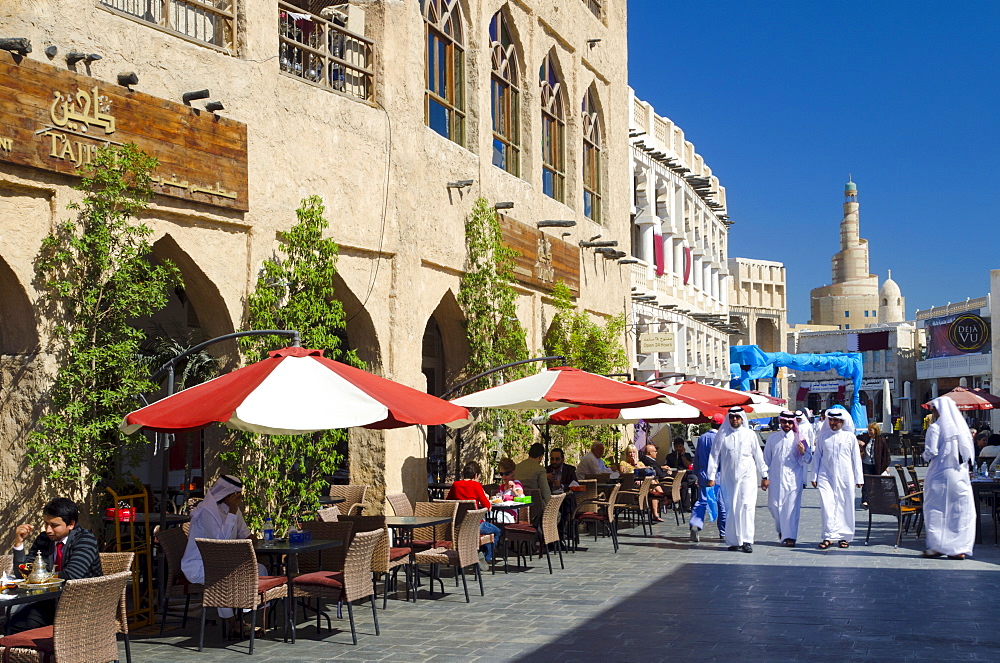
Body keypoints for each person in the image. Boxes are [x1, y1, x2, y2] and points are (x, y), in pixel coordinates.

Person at [8, 497, 102, 632]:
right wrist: (19, 543)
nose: (48, 530)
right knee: (9, 624)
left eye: (54, 525)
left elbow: (71, 575)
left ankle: (46, 652)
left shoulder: (85, 539)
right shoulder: (44, 539)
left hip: (82, 604)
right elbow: (22, 573)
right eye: (46, 524)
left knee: (17, 625)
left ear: (70, 524)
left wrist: (37, 579)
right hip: (51, 601)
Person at [181, 475, 262, 630]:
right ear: (227, 495)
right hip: (199, 565)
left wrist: (251, 536)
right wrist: (232, 511)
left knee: (260, 569)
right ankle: (234, 621)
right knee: (224, 575)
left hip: (223, 561)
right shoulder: (207, 512)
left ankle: (243, 612)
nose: (238, 499)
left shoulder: (233, 509)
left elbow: (244, 533)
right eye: (235, 496)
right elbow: (221, 542)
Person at [706, 407, 768, 553]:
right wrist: (711, 476)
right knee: (732, 507)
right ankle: (734, 540)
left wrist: (764, 475)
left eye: (737, 417)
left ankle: (747, 540)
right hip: (728, 478)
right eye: (732, 417)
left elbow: (758, 455)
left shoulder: (750, 434)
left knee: (746, 506)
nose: (735, 420)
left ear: (742, 418)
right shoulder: (722, 435)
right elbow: (714, 456)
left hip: (747, 476)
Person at [922, 397, 975, 559]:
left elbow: (930, 452)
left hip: (939, 473)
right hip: (960, 474)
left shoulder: (935, 428)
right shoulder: (961, 429)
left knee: (935, 509)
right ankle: (959, 547)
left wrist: (923, 455)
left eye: (933, 410)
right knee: (960, 509)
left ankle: (938, 545)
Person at [812, 407, 864, 549]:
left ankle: (844, 536)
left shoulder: (850, 437)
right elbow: (817, 457)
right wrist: (814, 475)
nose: (833, 423)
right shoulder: (823, 437)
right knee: (827, 506)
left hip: (845, 476)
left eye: (836, 420)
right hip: (825, 476)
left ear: (842, 421)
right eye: (831, 420)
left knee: (845, 505)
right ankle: (828, 536)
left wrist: (859, 478)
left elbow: (856, 459)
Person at [763, 411, 812, 546]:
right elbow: (766, 459)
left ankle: (790, 536)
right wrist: (764, 477)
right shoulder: (772, 439)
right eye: (784, 422)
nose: (787, 425)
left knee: (791, 509)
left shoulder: (800, 439)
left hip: (793, 480)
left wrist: (803, 452)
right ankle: (782, 529)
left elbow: (808, 459)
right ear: (780, 422)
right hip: (775, 478)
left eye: (790, 422)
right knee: (774, 506)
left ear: (793, 423)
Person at [447, 461, 502, 566]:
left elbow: (448, 502)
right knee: (497, 531)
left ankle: (478, 554)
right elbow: (488, 507)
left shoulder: (455, 485)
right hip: (475, 525)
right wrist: (485, 496)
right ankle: (486, 557)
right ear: (476, 475)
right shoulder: (476, 485)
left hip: (458, 526)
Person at [689, 414, 728, 542]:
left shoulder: (702, 438)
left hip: (703, 475)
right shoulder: (722, 438)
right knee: (721, 504)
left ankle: (696, 524)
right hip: (718, 475)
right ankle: (723, 531)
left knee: (702, 502)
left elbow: (698, 457)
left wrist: (696, 473)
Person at [858, 422, 892, 507]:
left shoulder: (881, 440)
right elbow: (853, 438)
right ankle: (865, 501)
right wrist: (859, 442)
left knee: (876, 483)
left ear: (876, 431)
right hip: (866, 463)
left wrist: (885, 466)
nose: (869, 432)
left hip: (876, 465)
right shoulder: (865, 437)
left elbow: (885, 454)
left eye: (871, 430)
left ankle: (876, 500)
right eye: (868, 430)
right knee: (866, 482)